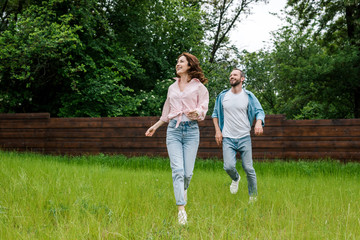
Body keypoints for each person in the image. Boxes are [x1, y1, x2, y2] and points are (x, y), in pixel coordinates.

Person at [145, 52, 209, 225]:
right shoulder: (172, 88)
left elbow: (203, 108)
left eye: (181, 62)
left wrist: (197, 112)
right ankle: (181, 209)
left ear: (189, 65)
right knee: (178, 171)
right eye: (177, 62)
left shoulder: (199, 87)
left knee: (188, 173)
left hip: (191, 131)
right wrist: (155, 126)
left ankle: (183, 191)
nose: (177, 64)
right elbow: (166, 112)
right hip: (173, 131)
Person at [212, 68, 265, 203]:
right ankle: (236, 178)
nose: (231, 76)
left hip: (244, 137)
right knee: (228, 166)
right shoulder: (223, 96)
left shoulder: (249, 96)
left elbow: (259, 111)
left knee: (248, 168)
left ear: (242, 79)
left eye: (234, 75)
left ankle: (253, 196)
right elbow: (215, 114)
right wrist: (218, 131)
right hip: (228, 138)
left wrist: (258, 123)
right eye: (230, 75)